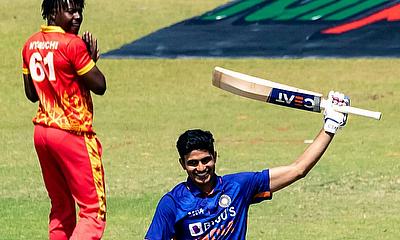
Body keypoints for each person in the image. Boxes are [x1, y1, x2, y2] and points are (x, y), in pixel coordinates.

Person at [145, 91, 350, 239]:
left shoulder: (239, 186)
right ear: (182, 164)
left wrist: (330, 127)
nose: (201, 168)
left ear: (215, 156)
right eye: (193, 163)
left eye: (206, 160)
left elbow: (298, 169)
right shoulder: (172, 203)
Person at [21, 0, 107, 239]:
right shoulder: (73, 44)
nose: (77, 16)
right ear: (52, 12)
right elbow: (100, 85)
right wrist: (90, 62)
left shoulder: (29, 44)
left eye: (79, 11)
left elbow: (31, 94)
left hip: (42, 134)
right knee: (93, 212)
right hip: (72, 133)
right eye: (70, 11)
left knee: (61, 208)